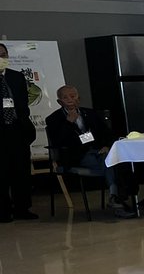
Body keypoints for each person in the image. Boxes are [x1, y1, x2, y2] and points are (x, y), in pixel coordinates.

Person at [44, 85, 136, 218]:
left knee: (111, 159)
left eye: (73, 96)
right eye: (65, 97)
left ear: (79, 99)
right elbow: (59, 142)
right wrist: (68, 123)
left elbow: (107, 133)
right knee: (111, 163)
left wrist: (106, 146)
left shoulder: (90, 114)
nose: (70, 100)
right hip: (76, 156)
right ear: (59, 102)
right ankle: (116, 198)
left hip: (98, 151)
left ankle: (115, 199)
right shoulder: (54, 119)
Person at [0, 43, 38, 221]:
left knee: (21, 170)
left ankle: (22, 208)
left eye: (4, 54)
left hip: (17, 128)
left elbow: (23, 103)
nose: (2, 58)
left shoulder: (16, 77)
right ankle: (3, 211)